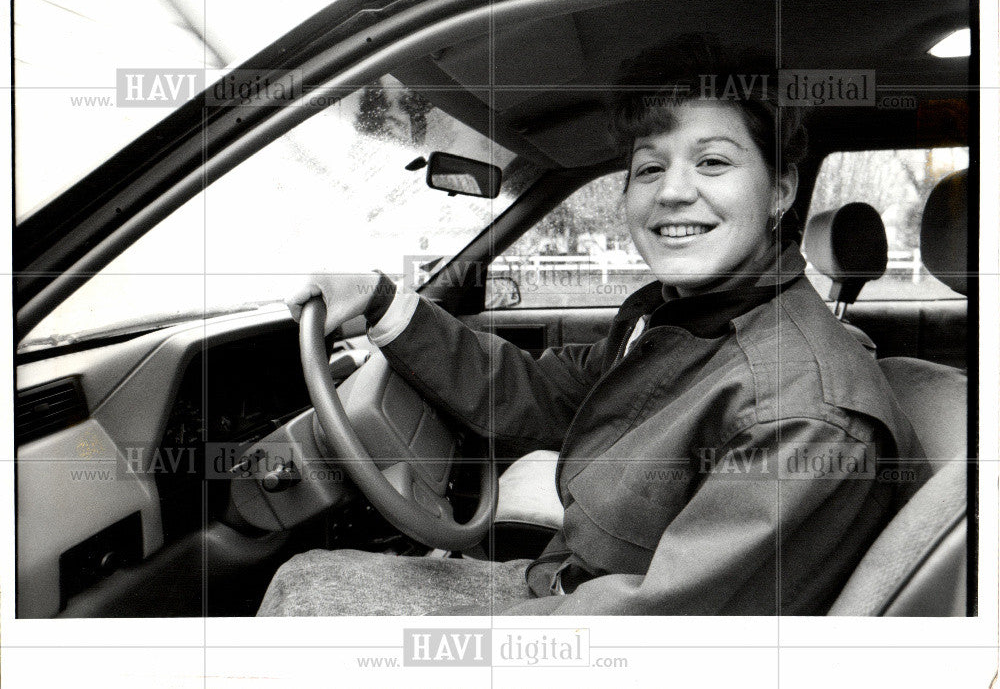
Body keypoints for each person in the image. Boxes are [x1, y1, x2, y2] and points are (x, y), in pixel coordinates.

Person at [257, 39, 926, 616]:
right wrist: (384, 301)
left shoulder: (801, 414)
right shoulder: (677, 317)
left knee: (302, 591)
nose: (671, 192)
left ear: (780, 189)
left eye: (714, 162)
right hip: (573, 585)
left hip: (589, 624)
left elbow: (657, 638)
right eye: (650, 167)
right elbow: (542, 394)